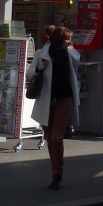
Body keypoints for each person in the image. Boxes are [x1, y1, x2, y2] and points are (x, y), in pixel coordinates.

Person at [31, 26, 81, 190]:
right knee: (49, 139)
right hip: (47, 100)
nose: (70, 42)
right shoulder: (42, 53)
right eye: (67, 39)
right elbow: (29, 74)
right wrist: (39, 68)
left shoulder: (70, 54)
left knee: (56, 137)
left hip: (65, 99)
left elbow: (77, 60)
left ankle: (58, 174)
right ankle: (55, 172)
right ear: (60, 40)